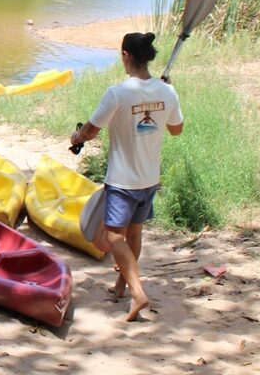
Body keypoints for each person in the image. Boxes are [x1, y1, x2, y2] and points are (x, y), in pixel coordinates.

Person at [69, 32, 183, 322]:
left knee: (113, 236)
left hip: (122, 181)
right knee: (134, 233)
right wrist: (163, 100)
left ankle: (136, 292)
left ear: (125, 56)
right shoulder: (167, 92)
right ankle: (121, 284)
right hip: (149, 179)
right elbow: (176, 129)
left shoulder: (117, 93)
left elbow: (91, 131)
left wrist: (76, 137)